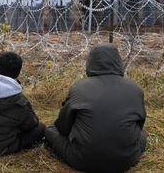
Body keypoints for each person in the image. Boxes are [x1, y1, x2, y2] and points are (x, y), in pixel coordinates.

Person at [45, 43, 147, 173]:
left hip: (82, 160)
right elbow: (139, 125)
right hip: (126, 160)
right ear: (118, 62)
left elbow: (62, 127)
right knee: (143, 133)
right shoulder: (135, 88)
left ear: (90, 62)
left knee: (50, 130)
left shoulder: (79, 88)